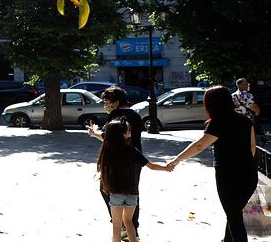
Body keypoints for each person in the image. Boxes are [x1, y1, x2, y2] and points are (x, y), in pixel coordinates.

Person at [168, 85, 258, 242]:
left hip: (228, 174)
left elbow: (199, 146)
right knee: (234, 212)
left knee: (234, 215)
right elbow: (252, 147)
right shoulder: (245, 120)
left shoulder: (218, 122)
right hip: (249, 172)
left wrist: (177, 160)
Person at [97, 117, 171, 242]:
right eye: (128, 130)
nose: (130, 132)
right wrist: (166, 168)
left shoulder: (108, 151)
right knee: (129, 222)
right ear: (123, 134)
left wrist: (94, 133)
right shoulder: (132, 150)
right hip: (132, 192)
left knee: (117, 225)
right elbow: (151, 166)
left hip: (115, 193)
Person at [88, 86, 145, 239]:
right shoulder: (135, 114)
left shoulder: (116, 114)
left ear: (116, 102)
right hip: (135, 158)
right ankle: (132, 228)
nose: (106, 105)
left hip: (116, 159)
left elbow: (110, 138)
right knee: (132, 190)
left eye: (107, 102)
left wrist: (94, 133)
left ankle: (119, 224)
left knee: (106, 188)